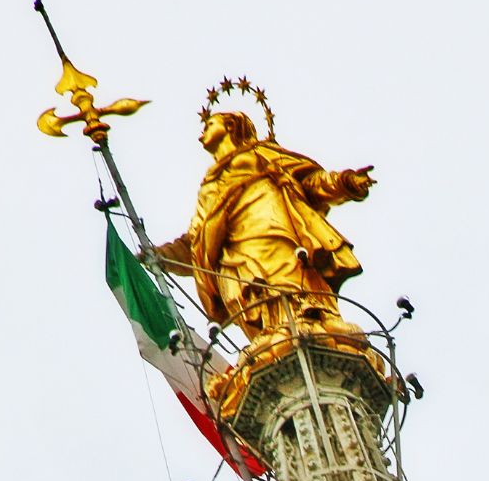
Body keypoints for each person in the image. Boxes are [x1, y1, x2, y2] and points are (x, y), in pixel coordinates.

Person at [154, 111, 375, 346]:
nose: (201, 135)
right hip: (231, 253)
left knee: (289, 279)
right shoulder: (208, 185)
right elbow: (195, 239)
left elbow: (310, 181)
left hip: (272, 227)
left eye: (209, 124)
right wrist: (163, 256)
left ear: (230, 125)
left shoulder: (259, 153)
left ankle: (312, 319)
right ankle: (271, 334)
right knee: (253, 296)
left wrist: (344, 183)